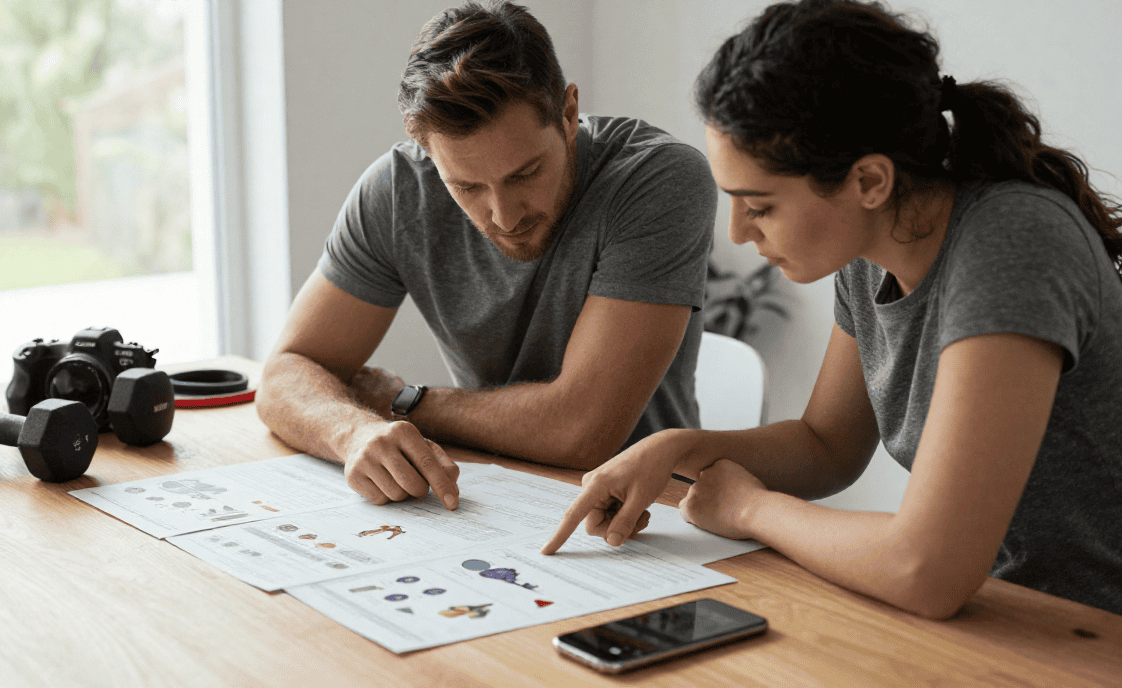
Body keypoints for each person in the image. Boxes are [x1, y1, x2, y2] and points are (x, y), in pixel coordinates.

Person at [543, 0, 1122, 619]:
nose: (737, 233)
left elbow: (925, 569)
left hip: (1087, 632)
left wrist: (749, 508)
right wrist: (676, 449)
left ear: (869, 181)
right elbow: (827, 447)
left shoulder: (1013, 244)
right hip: (999, 615)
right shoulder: (872, 248)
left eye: (759, 206)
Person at [257, 2, 716, 513]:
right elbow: (284, 373)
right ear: (428, 153)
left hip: (648, 515)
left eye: (525, 174)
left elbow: (581, 432)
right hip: (488, 499)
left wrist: (401, 402)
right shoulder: (397, 192)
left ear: (567, 114)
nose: (503, 215)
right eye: (467, 185)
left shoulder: (656, 180)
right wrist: (353, 430)